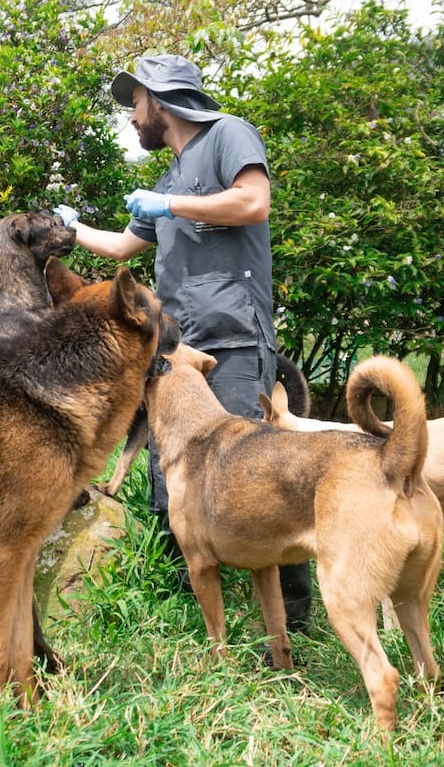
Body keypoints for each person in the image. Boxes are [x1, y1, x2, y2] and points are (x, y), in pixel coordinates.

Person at [55, 54, 312, 630]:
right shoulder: (168, 177)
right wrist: (71, 232)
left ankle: (290, 620)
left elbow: (253, 201)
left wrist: (169, 204)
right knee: (170, 475)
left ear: (161, 99)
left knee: (257, 473)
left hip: (236, 337)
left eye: (135, 104)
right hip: (177, 349)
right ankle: (190, 615)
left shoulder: (228, 135)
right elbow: (123, 247)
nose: (131, 118)